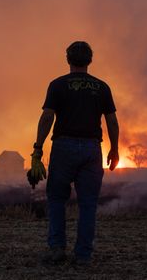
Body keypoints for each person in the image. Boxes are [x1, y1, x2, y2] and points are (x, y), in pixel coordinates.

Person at [29, 41, 119, 267]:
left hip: (63, 147)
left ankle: (57, 249)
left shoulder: (57, 85)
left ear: (68, 59)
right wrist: (115, 149)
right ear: (90, 60)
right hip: (92, 149)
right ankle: (83, 256)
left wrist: (38, 148)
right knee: (88, 204)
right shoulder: (102, 87)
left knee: (57, 200)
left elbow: (47, 117)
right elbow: (111, 120)